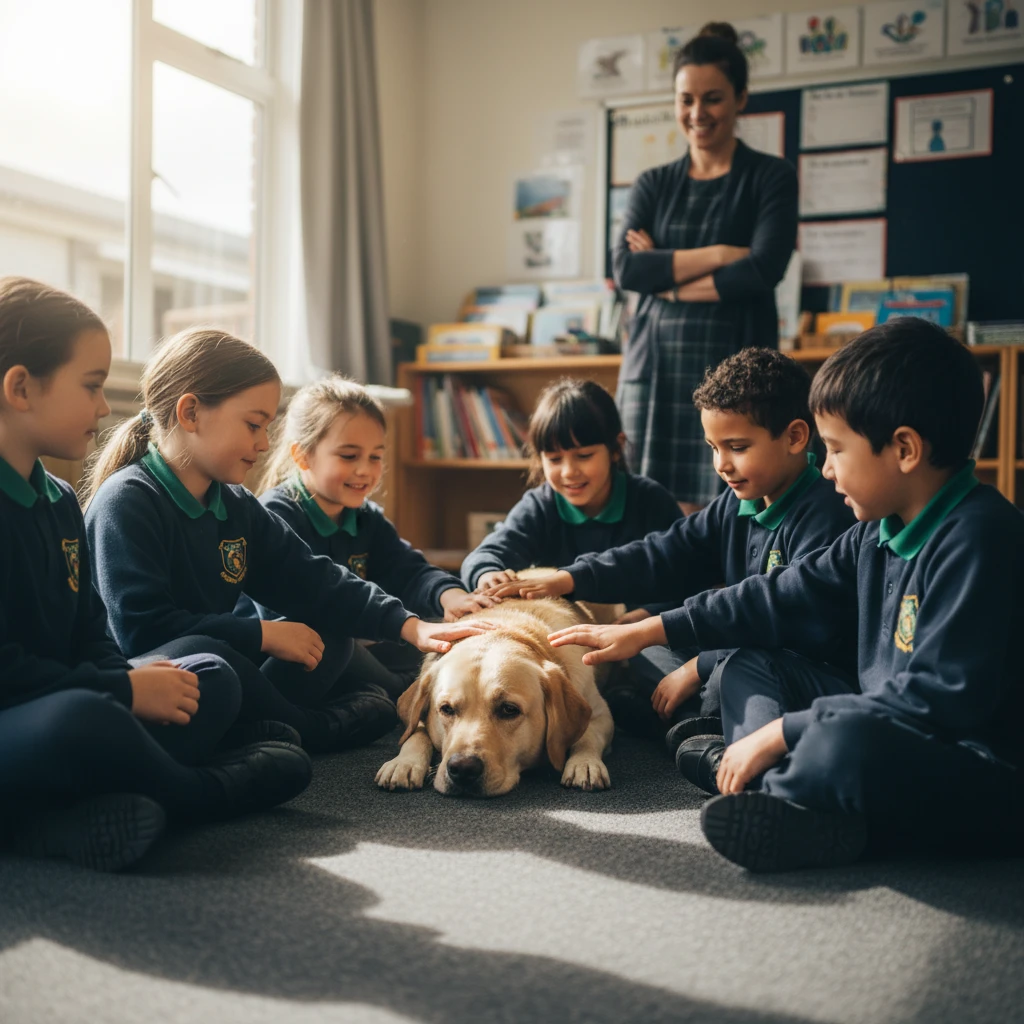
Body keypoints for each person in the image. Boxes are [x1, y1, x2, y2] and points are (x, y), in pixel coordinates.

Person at [546, 319, 1024, 872]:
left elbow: (938, 700)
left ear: (905, 450)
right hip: (876, 722)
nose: (828, 469)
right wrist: (648, 631)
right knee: (754, 666)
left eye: (838, 450)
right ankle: (775, 796)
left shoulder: (980, 534)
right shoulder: (875, 529)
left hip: (969, 760)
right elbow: (776, 594)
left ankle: (786, 796)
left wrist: (787, 729)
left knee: (839, 744)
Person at [0, 277, 312, 872]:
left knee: (206, 677)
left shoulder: (60, 500)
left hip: (69, 703)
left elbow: (89, 625)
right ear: (20, 387)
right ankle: (198, 792)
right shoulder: (119, 499)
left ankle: (60, 818)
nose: (101, 407)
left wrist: (127, 681)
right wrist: (118, 692)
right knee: (82, 716)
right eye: (91, 386)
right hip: (38, 716)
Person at [84, 328, 490, 756]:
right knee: (205, 657)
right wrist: (261, 635)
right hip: (160, 683)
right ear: (190, 413)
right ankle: (306, 727)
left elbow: (314, 578)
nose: (263, 444)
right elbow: (142, 631)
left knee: (327, 633)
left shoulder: (236, 504)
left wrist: (412, 626)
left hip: (234, 670)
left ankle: (269, 727)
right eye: (254, 425)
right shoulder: (128, 500)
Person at [482, 349, 853, 741]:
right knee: (643, 651)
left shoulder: (828, 510)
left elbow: (774, 610)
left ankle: (703, 734)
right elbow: (666, 552)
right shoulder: (739, 500)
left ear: (795, 437)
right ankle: (689, 726)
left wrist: (696, 665)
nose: (721, 465)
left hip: (791, 667)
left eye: (737, 447)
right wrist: (570, 579)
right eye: (713, 448)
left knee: (723, 668)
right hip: (736, 652)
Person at [614, 22, 798, 512]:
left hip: (735, 364)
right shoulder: (653, 183)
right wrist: (721, 254)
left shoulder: (771, 177)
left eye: (712, 98)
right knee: (649, 510)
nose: (697, 113)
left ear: (740, 98)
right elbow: (628, 269)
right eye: (685, 99)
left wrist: (667, 277)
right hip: (655, 369)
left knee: (735, 508)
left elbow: (762, 270)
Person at [244, 375, 494, 699]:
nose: (365, 470)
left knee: (445, 634)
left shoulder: (366, 517)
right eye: (349, 456)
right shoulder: (275, 514)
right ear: (303, 456)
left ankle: (387, 694)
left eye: (375, 456)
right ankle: (404, 695)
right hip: (291, 656)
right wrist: (382, 627)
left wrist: (452, 597)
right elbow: (292, 620)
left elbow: (409, 570)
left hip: (360, 643)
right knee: (338, 644)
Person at [460, 378, 681, 598]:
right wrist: (487, 573)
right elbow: (487, 554)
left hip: (640, 629)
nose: (568, 472)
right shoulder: (540, 506)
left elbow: (684, 573)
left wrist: (648, 613)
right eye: (555, 459)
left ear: (616, 448)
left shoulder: (651, 501)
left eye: (584, 456)